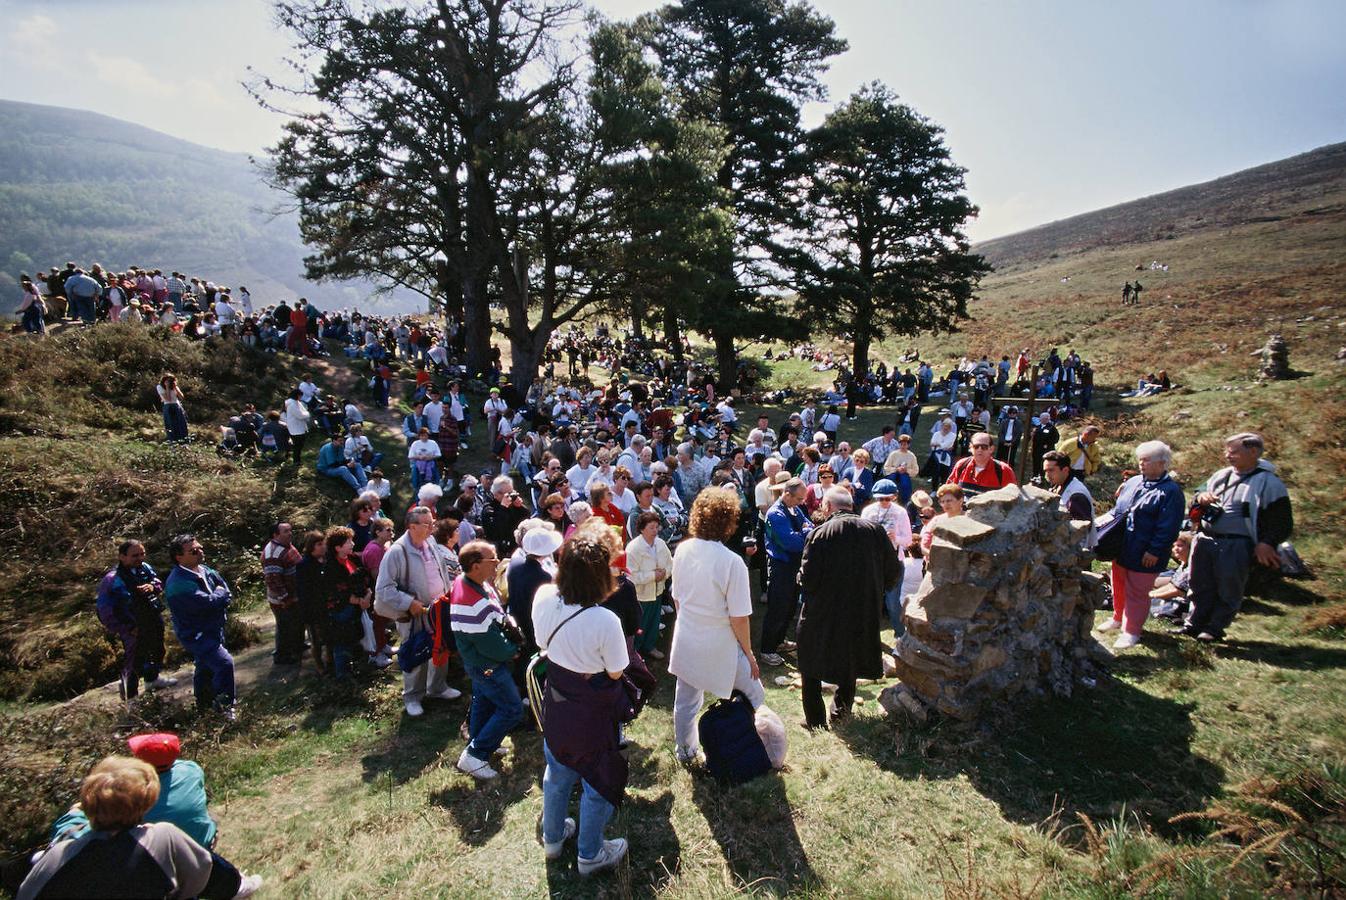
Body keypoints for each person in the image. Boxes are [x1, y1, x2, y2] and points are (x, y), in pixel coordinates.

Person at [20, 756, 260, 900]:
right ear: (146, 801)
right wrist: (235, 886)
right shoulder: (160, 838)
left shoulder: (55, 857)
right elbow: (207, 874)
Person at [531, 536, 632, 875]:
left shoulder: (544, 596)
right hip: (592, 709)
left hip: (557, 697)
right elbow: (617, 670)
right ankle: (590, 854)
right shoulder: (605, 620)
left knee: (557, 771)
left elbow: (541, 642)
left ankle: (553, 838)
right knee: (597, 780)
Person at [668, 489, 765, 764]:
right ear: (729, 522)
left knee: (686, 701)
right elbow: (739, 618)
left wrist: (688, 622)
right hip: (720, 642)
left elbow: (676, 597)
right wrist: (749, 654)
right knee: (755, 695)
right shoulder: (732, 562)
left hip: (687, 635)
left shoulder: (683, 549)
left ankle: (685, 752)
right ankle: (757, 743)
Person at [798, 486, 901, 729]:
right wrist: (874, 590)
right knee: (850, 658)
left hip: (824, 611)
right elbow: (894, 571)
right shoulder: (875, 532)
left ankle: (815, 721)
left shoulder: (820, 533)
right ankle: (841, 714)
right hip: (862, 608)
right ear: (851, 506)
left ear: (827, 506)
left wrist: (802, 580)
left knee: (810, 661)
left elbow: (808, 577)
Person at [1176, 432, 1293, 643]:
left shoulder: (1269, 483)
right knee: (1198, 583)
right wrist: (1201, 498)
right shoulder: (1221, 475)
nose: (1227, 455)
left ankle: (1214, 628)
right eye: (1227, 451)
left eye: (1234, 452)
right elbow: (1197, 495)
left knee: (1229, 587)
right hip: (1205, 539)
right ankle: (1193, 624)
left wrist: (1266, 543)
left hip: (1236, 543)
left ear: (1254, 452)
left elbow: (1281, 520)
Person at [1096, 441, 1185, 650]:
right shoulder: (1134, 481)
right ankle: (1118, 618)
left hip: (1146, 551)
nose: (1141, 464)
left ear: (1162, 463)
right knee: (1117, 583)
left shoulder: (1170, 492)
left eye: (1146, 460)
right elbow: (1118, 511)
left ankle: (1132, 631)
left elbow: (1169, 527)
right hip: (1122, 546)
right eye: (1140, 459)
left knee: (1137, 591)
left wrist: (1154, 550)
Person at [374, 506, 461, 717]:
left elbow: (441, 570)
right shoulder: (397, 551)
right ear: (412, 526)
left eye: (433, 522)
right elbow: (383, 589)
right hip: (414, 612)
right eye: (427, 524)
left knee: (441, 645)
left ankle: (437, 687)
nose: (433, 527)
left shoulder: (430, 542)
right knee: (416, 650)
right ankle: (412, 697)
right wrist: (408, 602)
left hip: (438, 607)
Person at [449, 540, 524, 780]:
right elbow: (490, 644)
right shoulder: (471, 601)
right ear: (475, 565)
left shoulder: (474, 583)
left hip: (483, 663)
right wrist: (511, 650)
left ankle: (481, 741)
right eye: (492, 560)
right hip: (487, 665)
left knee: (484, 701)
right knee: (512, 708)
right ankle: (476, 754)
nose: (497, 563)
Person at [163, 535, 236, 719]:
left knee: (204, 668)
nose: (200, 552)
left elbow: (224, 587)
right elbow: (207, 603)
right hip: (196, 634)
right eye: (193, 551)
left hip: (214, 628)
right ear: (179, 557)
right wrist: (221, 596)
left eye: (200, 548)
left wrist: (220, 595)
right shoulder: (178, 583)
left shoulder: (204, 569)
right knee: (224, 663)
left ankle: (203, 708)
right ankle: (225, 707)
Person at [95, 540, 174, 704]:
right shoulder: (112, 579)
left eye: (142, 554)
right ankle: (131, 699)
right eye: (134, 555)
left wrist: (152, 587)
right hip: (132, 624)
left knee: (158, 649)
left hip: (151, 616)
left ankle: (152, 680)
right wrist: (126, 627)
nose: (139, 558)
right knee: (135, 661)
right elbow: (105, 610)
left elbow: (157, 582)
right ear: (122, 557)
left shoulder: (144, 568)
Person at [761, 477, 813, 667]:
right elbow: (791, 542)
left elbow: (809, 526)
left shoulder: (794, 508)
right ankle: (767, 649)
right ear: (787, 494)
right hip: (780, 566)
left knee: (790, 606)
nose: (802, 503)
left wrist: (804, 531)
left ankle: (780, 641)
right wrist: (805, 533)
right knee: (777, 607)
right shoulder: (775, 514)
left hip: (793, 565)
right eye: (799, 499)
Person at [862, 479, 914, 644]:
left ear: (894, 497)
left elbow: (908, 540)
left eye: (887, 498)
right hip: (872, 561)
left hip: (893, 561)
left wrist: (895, 537)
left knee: (892, 602)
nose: (884, 502)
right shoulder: (868, 511)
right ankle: (869, 635)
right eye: (880, 499)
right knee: (871, 601)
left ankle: (900, 634)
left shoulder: (900, 512)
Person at [324, 526, 373, 677]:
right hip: (342, 610)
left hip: (360, 606)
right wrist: (360, 601)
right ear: (338, 547)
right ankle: (343, 678)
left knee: (359, 637)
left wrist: (368, 595)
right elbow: (339, 592)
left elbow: (365, 577)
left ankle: (360, 669)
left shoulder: (353, 558)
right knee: (343, 642)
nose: (352, 544)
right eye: (348, 542)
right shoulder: (331, 568)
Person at [626, 510, 673, 660]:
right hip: (641, 595)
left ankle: (650, 646)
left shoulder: (660, 544)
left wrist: (664, 573)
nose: (655, 531)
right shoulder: (633, 548)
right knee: (640, 625)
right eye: (651, 527)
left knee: (654, 622)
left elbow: (670, 564)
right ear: (641, 529)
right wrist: (653, 576)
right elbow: (631, 575)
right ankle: (636, 652)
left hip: (657, 592)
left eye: (656, 527)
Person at [261, 523, 305, 666]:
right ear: (275, 535)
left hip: (295, 594)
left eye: (290, 530)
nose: (290, 533)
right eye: (286, 531)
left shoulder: (287, 545)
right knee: (285, 626)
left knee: (297, 622)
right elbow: (273, 580)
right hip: (282, 600)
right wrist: (285, 598)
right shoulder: (272, 553)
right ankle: (281, 656)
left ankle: (298, 646)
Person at [1041, 451, 1096, 547]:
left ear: (1065, 470)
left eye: (1051, 470)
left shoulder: (1076, 495)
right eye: (1045, 471)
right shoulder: (1059, 484)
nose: (1047, 475)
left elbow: (1082, 530)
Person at [946, 433, 1016, 496]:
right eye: (976, 446)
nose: (980, 450)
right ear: (970, 448)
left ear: (991, 449)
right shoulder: (961, 465)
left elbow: (1013, 498)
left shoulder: (1004, 470)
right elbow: (949, 492)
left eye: (984, 447)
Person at [920, 484, 966, 555]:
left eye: (949, 501)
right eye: (942, 502)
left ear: (961, 500)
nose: (945, 504)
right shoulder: (936, 521)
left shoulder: (970, 520)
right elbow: (924, 546)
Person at [157, 375, 189, 444]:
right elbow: (168, 399)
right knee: (171, 424)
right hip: (168, 406)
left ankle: (184, 441)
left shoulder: (174, 386)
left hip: (177, 405)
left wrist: (175, 388)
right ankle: (173, 441)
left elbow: (181, 397)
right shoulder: (160, 387)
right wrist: (167, 387)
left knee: (181, 424)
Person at [283, 389, 312, 465]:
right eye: (300, 395)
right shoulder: (292, 404)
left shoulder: (297, 402)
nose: (300, 397)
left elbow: (304, 411)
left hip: (299, 426)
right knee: (297, 445)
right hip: (295, 427)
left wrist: (305, 413)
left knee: (299, 444)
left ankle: (296, 459)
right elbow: (300, 415)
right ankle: (296, 461)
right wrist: (307, 414)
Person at [1031, 411, 1060, 477]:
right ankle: (1035, 475)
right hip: (1036, 449)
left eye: (1047, 418)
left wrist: (1048, 444)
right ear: (1040, 419)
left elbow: (1056, 439)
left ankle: (1042, 477)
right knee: (1036, 463)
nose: (1045, 419)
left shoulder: (1052, 428)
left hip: (1046, 450)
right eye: (1043, 418)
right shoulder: (1037, 427)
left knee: (1043, 463)